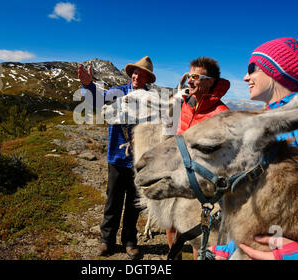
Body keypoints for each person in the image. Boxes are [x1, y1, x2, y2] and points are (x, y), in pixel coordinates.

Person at [211, 32, 298, 260]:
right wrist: (228, 249)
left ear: (276, 72)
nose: (245, 78)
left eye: (252, 68)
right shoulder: (270, 120)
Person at [78, 56, 157, 260]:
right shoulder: (118, 92)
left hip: (140, 161)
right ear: (131, 74)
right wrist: (88, 85)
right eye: (135, 72)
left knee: (134, 203)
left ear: (148, 78)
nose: (137, 76)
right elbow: (97, 100)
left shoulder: (153, 99)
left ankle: (130, 242)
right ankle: (107, 241)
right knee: (113, 201)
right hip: (116, 157)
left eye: (142, 73)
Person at [168, 57, 230, 260]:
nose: (190, 81)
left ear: (210, 81)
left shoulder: (221, 113)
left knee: (198, 230)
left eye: (195, 77)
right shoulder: (183, 104)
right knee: (171, 223)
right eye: (189, 76)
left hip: (201, 184)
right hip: (176, 175)